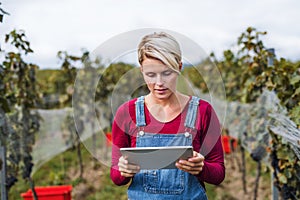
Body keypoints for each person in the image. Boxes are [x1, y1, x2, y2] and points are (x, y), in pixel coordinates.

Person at [110, 32, 225, 199]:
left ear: (179, 67)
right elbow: (116, 177)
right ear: (141, 70)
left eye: (166, 73)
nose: (159, 83)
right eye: (151, 75)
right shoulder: (127, 114)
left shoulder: (203, 111)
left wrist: (202, 168)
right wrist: (123, 170)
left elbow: (219, 173)